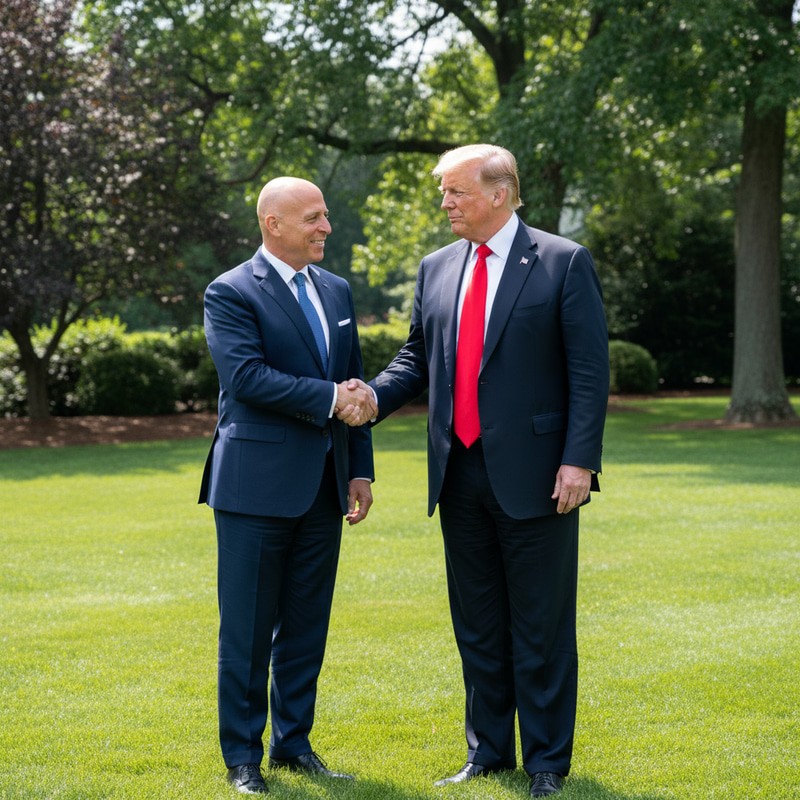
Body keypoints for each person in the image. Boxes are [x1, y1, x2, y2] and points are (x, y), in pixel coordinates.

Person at [352, 144, 608, 798]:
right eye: (444, 192)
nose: (445, 203)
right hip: (457, 475)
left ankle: (547, 765)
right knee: (478, 625)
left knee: (542, 626)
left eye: (455, 192)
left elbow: (588, 372)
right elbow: (419, 355)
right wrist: (374, 397)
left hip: (538, 475)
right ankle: (487, 754)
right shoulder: (437, 267)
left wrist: (578, 459)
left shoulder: (561, 261)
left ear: (499, 194)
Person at [199, 176, 376, 795]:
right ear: (272, 223)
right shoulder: (230, 291)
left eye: (325, 215)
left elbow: (353, 386)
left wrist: (359, 467)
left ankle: (293, 746)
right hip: (252, 487)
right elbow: (246, 377)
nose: (327, 227)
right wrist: (332, 398)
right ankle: (243, 758)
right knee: (246, 631)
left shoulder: (336, 289)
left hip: (324, 486)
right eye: (314, 217)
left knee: (306, 627)